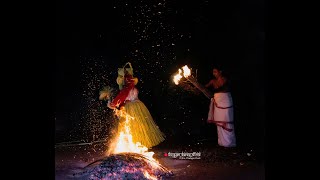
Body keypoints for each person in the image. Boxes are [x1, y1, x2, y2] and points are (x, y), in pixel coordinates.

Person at [106, 62, 165, 148]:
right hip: (139, 105)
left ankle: (134, 144)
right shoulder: (134, 88)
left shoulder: (125, 89)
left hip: (130, 108)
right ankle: (142, 143)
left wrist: (111, 103)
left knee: (132, 126)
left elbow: (119, 99)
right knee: (141, 125)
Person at [205, 67, 236, 147]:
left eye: (215, 71)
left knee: (227, 120)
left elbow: (223, 87)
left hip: (225, 100)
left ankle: (229, 143)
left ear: (220, 72)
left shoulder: (224, 79)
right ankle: (222, 143)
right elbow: (204, 88)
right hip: (217, 101)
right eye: (213, 72)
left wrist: (214, 91)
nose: (214, 73)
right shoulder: (212, 81)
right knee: (219, 122)